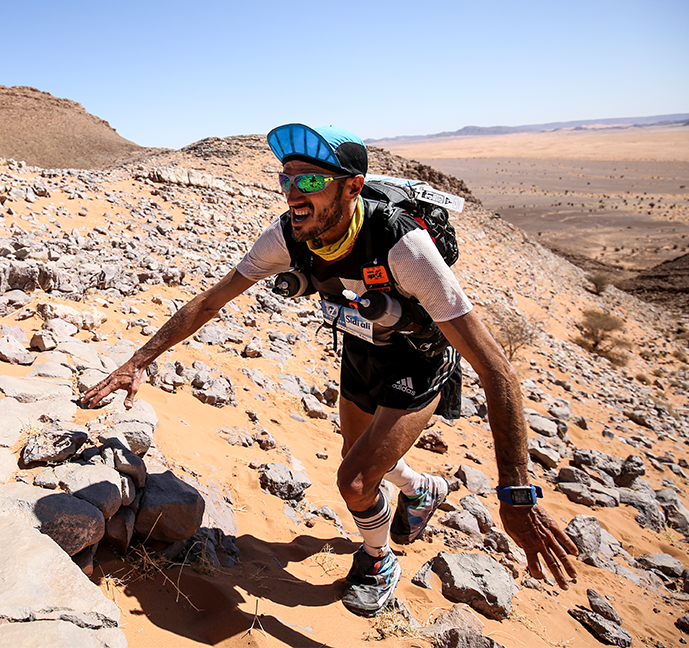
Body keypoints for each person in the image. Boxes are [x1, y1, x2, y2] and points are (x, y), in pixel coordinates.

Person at [82, 123, 578, 616]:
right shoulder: (286, 237)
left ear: (353, 187)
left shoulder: (402, 247)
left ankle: (377, 559)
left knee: (356, 483)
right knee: (357, 454)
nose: (295, 192)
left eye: (312, 181)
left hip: (418, 360)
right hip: (361, 351)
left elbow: (498, 371)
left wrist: (516, 492)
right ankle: (420, 490)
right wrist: (138, 360)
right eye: (287, 179)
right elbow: (212, 301)